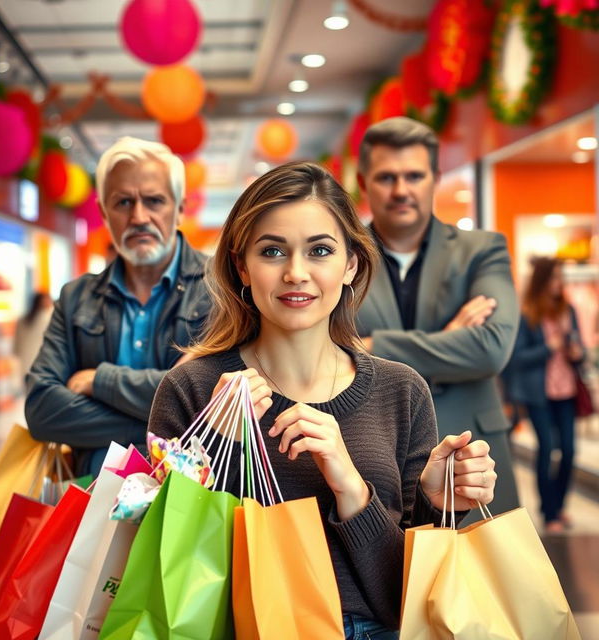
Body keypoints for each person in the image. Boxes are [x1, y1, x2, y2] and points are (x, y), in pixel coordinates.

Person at [148, 162, 497, 637]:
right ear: (241, 266)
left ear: (350, 264)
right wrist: (212, 445)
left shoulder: (401, 390)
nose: (296, 273)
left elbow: (409, 600)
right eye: (272, 251)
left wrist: (408, 498)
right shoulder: (192, 388)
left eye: (320, 251)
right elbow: (166, 565)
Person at [355, 116, 520, 516]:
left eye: (414, 175)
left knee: (486, 578)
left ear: (435, 178)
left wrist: (374, 346)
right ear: (363, 184)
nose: (401, 190)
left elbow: (491, 349)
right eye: (386, 178)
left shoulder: (481, 250)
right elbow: (327, 352)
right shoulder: (343, 257)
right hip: (372, 460)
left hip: (473, 460)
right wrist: (448, 340)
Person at [25, 137, 212, 476]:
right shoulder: (75, 298)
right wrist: (163, 427)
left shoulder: (220, 290)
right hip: (91, 503)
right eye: (123, 202)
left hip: (191, 506)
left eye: (154, 201)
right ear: (103, 213)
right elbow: (41, 410)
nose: (139, 217)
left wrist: (102, 382)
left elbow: (213, 401)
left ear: (180, 208)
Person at [504, 257, 584, 533]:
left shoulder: (568, 310)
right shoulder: (527, 314)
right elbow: (516, 358)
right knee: (547, 449)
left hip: (567, 391)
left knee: (571, 451)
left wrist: (577, 353)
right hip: (538, 393)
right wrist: (548, 347)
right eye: (554, 278)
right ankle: (549, 513)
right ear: (542, 280)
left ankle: (559, 506)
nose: (558, 284)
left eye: (561, 278)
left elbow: (579, 347)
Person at [13, 291, 54, 384]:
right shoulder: (47, 318)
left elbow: (16, 346)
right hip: (41, 364)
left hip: (25, 363)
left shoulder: (23, 319)